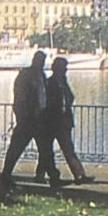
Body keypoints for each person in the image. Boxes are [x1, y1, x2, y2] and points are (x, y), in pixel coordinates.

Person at [0, 50, 59, 189]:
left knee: (45, 149)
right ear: (35, 60)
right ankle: (6, 174)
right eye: (40, 60)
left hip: (39, 118)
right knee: (18, 148)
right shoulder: (26, 75)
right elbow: (20, 96)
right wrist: (22, 114)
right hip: (28, 118)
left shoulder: (41, 75)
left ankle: (53, 176)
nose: (42, 63)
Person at [40, 56, 94, 185]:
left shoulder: (59, 82)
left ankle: (77, 174)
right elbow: (54, 101)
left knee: (57, 149)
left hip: (61, 121)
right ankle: (65, 176)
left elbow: (69, 97)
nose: (65, 70)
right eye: (63, 68)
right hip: (54, 120)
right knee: (56, 149)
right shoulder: (52, 83)